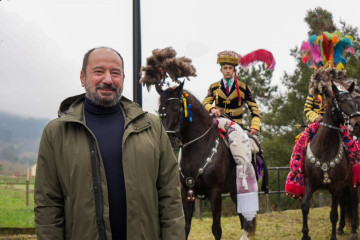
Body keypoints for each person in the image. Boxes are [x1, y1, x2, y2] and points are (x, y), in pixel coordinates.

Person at [34, 47, 185, 240]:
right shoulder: (56, 133)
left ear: (123, 78)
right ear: (82, 77)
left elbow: (170, 196)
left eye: (115, 73)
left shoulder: (152, 127)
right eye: (99, 71)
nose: (108, 79)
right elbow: (48, 205)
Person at [202, 49, 275, 135]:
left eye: (230, 68)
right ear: (221, 70)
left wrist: (255, 125)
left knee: (253, 146)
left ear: (234, 70)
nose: (228, 70)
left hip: (237, 126)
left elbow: (254, 108)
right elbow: (205, 102)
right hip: (218, 124)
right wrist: (212, 108)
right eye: (225, 68)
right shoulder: (213, 87)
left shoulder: (243, 88)